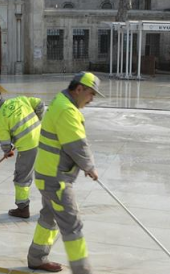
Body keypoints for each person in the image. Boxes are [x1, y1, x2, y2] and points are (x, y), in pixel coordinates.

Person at [27, 72, 104, 273]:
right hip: (55, 178)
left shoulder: (61, 101)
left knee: (48, 218)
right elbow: (77, 144)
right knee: (72, 224)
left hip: (47, 173)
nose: (92, 99)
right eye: (90, 94)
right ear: (79, 89)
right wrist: (89, 167)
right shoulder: (67, 110)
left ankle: (36, 258)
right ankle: (82, 271)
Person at [0, 90, 45, 218]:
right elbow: (40, 104)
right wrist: (38, 121)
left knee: (21, 178)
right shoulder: (20, 99)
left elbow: (5, 144)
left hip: (29, 148)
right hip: (44, 139)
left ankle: (22, 208)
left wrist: (7, 152)